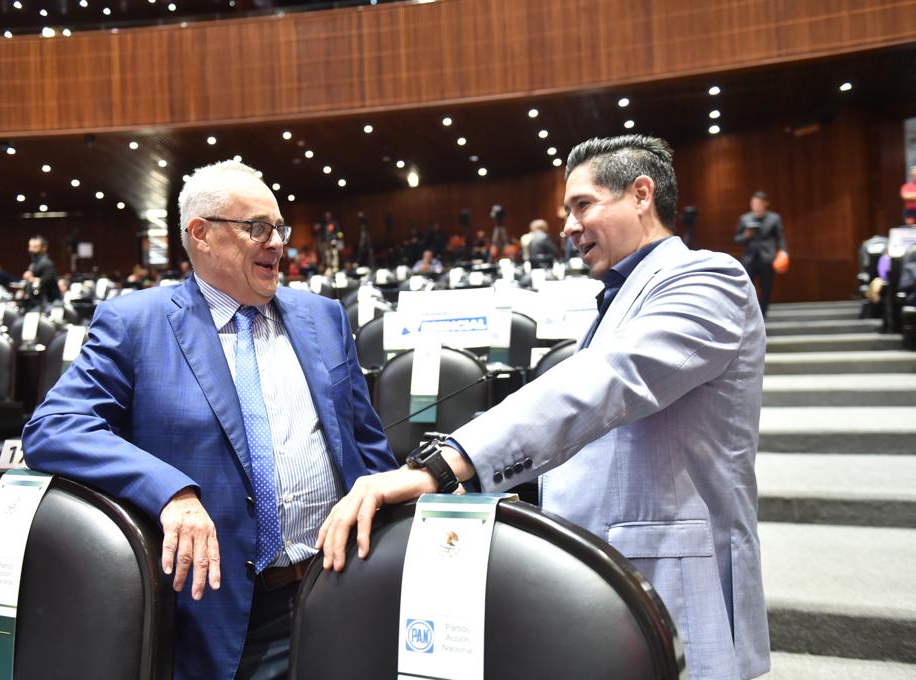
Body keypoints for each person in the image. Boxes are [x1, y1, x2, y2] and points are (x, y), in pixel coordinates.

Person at [318, 135, 770, 680]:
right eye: (566, 213)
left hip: (671, 576)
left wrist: (444, 465)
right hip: (603, 577)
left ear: (641, 194)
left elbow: (606, 384)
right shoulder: (621, 293)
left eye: (582, 205)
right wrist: (483, 486)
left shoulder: (710, 280)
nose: (569, 227)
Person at [22, 159, 396, 679]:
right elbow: (55, 428)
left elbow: (367, 447)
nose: (276, 244)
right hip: (223, 617)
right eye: (256, 228)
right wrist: (169, 491)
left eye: (279, 228)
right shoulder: (136, 324)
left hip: (340, 587)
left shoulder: (323, 316)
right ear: (201, 234)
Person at [734, 190, 786, 318]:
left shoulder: (774, 218)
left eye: (758, 203)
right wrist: (746, 235)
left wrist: (783, 251)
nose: (756, 206)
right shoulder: (745, 218)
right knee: (745, 288)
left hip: (767, 258)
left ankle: (763, 315)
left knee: (766, 288)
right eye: (753, 203)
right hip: (749, 258)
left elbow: (780, 237)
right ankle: (746, 315)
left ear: (765, 204)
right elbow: (737, 239)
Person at [23, 235, 61, 308]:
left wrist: (31, 279)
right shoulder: (34, 263)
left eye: (35, 247)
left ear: (44, 248)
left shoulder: (47, 263)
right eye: (30, 246)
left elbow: (47, 281)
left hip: (48, 303)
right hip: (37, 302)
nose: (31, 250)